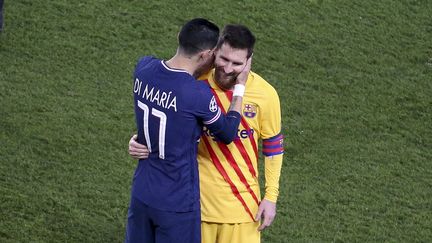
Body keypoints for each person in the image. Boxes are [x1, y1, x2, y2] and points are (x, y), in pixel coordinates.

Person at [129, 24, 284, 243]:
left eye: (237, 63)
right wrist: (140, 139)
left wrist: (271, 196)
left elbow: (273, 147)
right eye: (223, 59)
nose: (228, 68)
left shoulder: (266, 95)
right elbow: (165, 115)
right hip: (197, 207)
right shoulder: (195, 83)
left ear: (249, 61)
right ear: (213, 53)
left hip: (242, 210)